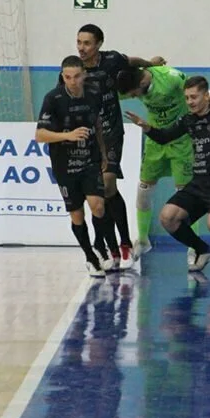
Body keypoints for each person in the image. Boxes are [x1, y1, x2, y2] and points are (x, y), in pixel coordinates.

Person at [126, 76, 210, 273]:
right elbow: (164, 137)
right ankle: (202, 250)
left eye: (194, 97)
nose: (190, 102)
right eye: (187, 98)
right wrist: (145, 126)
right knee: (167, 217)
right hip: (197, 185)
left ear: (206, 95)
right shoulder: (188, 120)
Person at [75, 24, 166, 269]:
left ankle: (125, 243)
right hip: (88, 137)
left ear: (99, 45)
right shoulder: (74, 70)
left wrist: (150, 63)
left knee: (106, 184)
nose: (82, 48)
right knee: (99, 195)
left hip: (111, 132)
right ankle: (110, 247)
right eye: (79, 42)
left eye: (87, 43)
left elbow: (131, 61)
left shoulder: (112, 60)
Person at [115, 65, 210, 256]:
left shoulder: (170, 78)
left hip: (181, 142)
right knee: (144, 189)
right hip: (156, 140)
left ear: (142, 82)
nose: (132, 97)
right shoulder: (132, 78)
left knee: (186, 195)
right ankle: (143, 240)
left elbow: (195, 89)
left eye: (133, 94)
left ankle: (193, 248)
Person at [36, 56, 117, 276]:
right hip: (64, 163)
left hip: (89, 159)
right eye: (68, 77)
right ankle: (90, 256)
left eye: (77, 76)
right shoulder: (53, 98)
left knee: (98, 206)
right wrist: (68, 135)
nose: (72, 81)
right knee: (77, 215)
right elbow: (40, 135)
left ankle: (100, 245)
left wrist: (102, 152)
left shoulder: (93, 94)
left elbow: (97, 124)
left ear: (84, 75)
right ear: (63, 76)